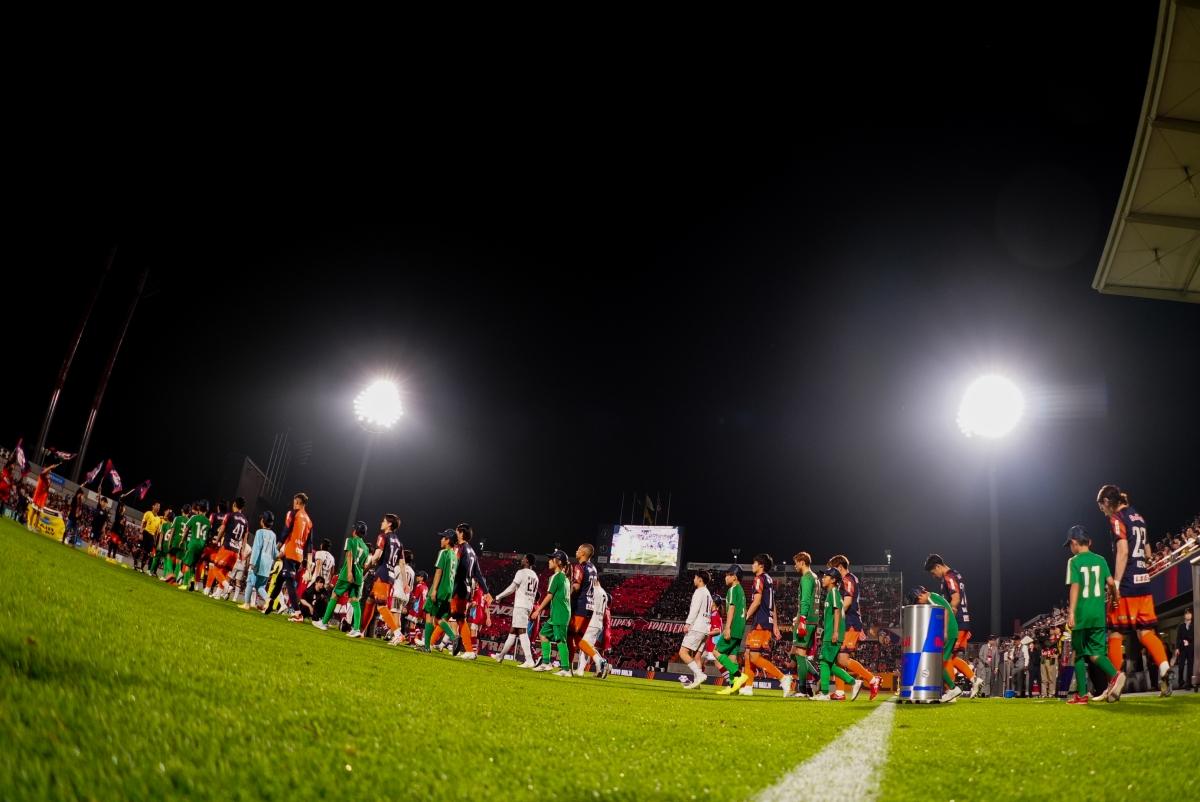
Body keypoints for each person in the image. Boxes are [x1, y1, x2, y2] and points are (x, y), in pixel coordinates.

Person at [1096, 485, 1171, 696]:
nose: (1103, 511)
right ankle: (1165, 668)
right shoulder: (1139, 517)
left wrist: (1116, 584)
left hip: (1127, 582)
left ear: (1107, 502)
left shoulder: (1117, 518)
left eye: (1102, 507)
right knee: (1145, 632)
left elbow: (1123, 551)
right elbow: (1148, 553)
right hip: (1143, 582)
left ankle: (1114, 682)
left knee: (1115, 631)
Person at [1063, 524, 1125, 704]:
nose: (1070, 548)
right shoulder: (1101, 559)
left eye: (1070, 545)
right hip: (1098, 615)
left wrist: (1071, 612)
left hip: (1082, 614)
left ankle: (1082, 695)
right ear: (1089, 542)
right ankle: (1115, 675)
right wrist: (1115, 598)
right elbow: (1111, 583)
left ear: (1074, 543)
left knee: (1079, 654)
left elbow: (1075, 586)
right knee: (1096, 654)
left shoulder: (1074, 561)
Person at [924, 553, 982, 698]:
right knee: (952, 657)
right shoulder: (956, 574)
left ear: (938, 566)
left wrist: (949, 623)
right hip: (963, 621)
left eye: (933, 572)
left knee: (945, 657)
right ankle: (974, 679)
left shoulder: (948, 577)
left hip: (958, 622)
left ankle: (951, 691)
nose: (934, 576)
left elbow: (955, 599)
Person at [827, 555, 882, 700]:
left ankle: (872, 679)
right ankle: (840, 692)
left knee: (842, 659)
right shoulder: (849, 579)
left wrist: (835, 619)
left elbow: (847, 602)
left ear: (840, 567)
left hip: (849, 623)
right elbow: (856, 605)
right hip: (850, 622)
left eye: (833, 569)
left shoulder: (847, 579)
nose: (831, 573)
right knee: (838, 658)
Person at [738, 553, 789, 697]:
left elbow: (757, 601)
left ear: (761, 565)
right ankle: (748, 687)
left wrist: (745, 617)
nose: (752, 565)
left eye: (754, 563)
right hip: (764, 621)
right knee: (748, 654)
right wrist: (775, 625)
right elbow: (772, 604)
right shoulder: (768, 579)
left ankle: (783, 678)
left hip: (761, 621)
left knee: (754, 656)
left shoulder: (759, 579)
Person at [313, 521, 370, 636]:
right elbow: (365, 566)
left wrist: (349, 572)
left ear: (355, 530)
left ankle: (324, 623)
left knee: (335, 595)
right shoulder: (366, 548)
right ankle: (356, 629)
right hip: (359, 577)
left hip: (346, 574)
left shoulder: (350, 540)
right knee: (355, 601)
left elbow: (349, 555)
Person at [359, 513, 406, 642]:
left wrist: (366, 567)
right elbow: (402, 563)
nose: (382, 523)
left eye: (384, 521)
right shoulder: (399, 542)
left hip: (382, 573)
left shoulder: (383, 536)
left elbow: (377, 556)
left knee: (381, 605)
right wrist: (405, 583)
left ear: (389, 524)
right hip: (390, 576)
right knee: (370, 600)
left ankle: (397, 634)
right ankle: (361, 631)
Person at [264, 492, 312, 616]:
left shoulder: (293, 513)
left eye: (294, 502)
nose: (293, 504)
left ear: (298, 502)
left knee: (289, 583)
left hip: (290, 553)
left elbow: (285, 531)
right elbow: (309, 545)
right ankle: (269, 603)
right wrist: (309, 566)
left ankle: (297, 613)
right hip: (299, 556)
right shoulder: (309, 521)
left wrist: (276, 549)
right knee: (280, 579)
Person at [449, 523, 490, 658]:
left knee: (444, 615)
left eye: (457, 531)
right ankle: (467, 649)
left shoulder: (460, 548)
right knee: (457, 618)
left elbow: (457, 569)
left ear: (461, 533)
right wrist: (486, 591)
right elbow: (478, 573)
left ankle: (434, 643)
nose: (455, 533)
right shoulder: (472, 551)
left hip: (458, 586)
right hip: (466, 588)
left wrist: (452, 587)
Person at [491, 553, 539, 667]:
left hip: (521, 605)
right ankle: (500, 656)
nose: (521, 560)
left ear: (527, 561)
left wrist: (498, 596)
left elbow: (512, 588)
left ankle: (529, 660)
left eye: (523, 558)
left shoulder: (521, 572)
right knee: (513, 632)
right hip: (528, 606)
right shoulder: (535, 576)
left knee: (522, 632)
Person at [816, 569, 857, 701]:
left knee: (823, 662)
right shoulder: (832, 593)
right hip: (830, 633)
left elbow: (837, 611)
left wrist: (834, 632)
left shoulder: (833, 592)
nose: (823, 578)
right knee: (830, 664)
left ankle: (824, 693)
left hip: (832, 634)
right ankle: (853, 682)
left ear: (833, 580)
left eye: (825, 576)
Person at [530, 549, 572, 677]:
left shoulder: (556, 577)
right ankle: (546, 663)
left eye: (551, 559)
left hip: (560, 614)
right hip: (559, 614)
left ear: (558, 562)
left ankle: (566, 669)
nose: (549, 561)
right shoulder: (565, 578)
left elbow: (549, 596)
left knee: (561, 641)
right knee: (543, 634)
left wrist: (538, 610)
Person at [716, 565, 751, 695]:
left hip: (733, 627)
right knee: (732, 657)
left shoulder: (732, 589)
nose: (726, 577)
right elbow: (744, 611)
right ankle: (733, 687)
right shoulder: (741, 590)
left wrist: (727, 627)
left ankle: (738, 675)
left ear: (734, 577)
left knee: (716, 651)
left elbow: (731, 608)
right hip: (740, 628)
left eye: (728, 575)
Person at [421, 530, 459, 651]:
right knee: (438, 618)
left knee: (429, 615)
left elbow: (439, 572)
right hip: (448, 591)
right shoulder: (455, 556)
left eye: (443, 538)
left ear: (448, 540)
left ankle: (427, 647)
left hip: (440, 589)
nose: (441, 540)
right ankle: (454, 637)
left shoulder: (444, 552)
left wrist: (434, 590)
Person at [678, 570, 716, 689]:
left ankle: (700, 675)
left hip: (697, 627)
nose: (694, 580)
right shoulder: (708, 593)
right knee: (697, 657)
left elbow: (694, 610)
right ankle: (697, 684)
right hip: (705, 628)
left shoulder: (699, 592)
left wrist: (687, 624)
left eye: (695, 578)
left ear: (700, 579)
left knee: (683, 652)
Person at [789, 551, 819, 698]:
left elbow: (805, 600)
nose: (795, 566)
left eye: (796, 563)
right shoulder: (815, 578)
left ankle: (802, 689)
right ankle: (810, 683)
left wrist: (802, 618)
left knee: (800, 655)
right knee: (796, 653)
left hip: (806, 620)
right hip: (812, 619)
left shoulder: (806, 578)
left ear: (802, 562)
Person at [205, 497, 248, 598]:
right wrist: (242, 552)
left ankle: (227, 586)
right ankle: (218, 594)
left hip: (227, 547)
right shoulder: (245, 521)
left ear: (234, 505)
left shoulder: (229, 515)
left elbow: (222, 529)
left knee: (215, 568)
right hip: (236, 551)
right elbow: (245, 538)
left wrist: (217, 540)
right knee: (224, 571)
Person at [574, 576, 611, 678]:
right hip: (599, 623)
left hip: (591, 622)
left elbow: (588, 606)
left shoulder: (593, 591)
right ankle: (581, 670)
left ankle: (599, 661)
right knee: (588, 647)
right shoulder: (604, 593)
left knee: (582, 644)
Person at [568, 543, 599, 664]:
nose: (576, 551)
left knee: (569, 635)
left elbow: (576, 587)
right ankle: (599, 660)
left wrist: (566, 596)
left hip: (580, 606)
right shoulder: (594, 568)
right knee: (578, 638)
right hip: (590, 607)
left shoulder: (580, 566)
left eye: (578, 549)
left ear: (583, 553)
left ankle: (566, 666)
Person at [241, 511, 278, 610]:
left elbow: (256, 548)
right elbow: (275, 552)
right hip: (267, 565)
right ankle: (268, 600)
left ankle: (247, 604)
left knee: (250, 582)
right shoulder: (273, 535)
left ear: (262, 521)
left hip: (258, 562)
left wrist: (252, 563)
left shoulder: (259, 532)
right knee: (260, 586)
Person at [177, 500, 211, 591]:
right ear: (207, 510)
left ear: (199, 508)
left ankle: (184, 583)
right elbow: (208, 536)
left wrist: (182, 540)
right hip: (201, 546)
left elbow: (186, 529)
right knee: (192, 564)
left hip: (193, 543)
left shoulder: (194, 517)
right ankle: (192, 582)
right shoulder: (208, 522)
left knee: (186, 563)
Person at [136, 501, 162, 572]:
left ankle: (141, 568)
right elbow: (143, 523)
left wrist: (155, 541)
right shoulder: (148, 513)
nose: (158, 508)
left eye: (159, 507)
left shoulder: (158, 519)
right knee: (139, 549)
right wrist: (141, 533)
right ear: (153, 506)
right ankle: (135, 564)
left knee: (147, 553)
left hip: (151, 536)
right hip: (145, 533)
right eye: (157, 506)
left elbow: (157, 532)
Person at [1175, 609, 1194, 691]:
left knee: (1190, 666)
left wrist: (1189, 641)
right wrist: (1177, 648)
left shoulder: (1194, 626)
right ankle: (1181, 682)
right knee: (1181, 666)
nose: (1188, 615)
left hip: (1191, 648)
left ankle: (1188, 683)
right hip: (1182, 648)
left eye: (1189, 614)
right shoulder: (1181, 626)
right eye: (1186, 614)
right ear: (1184, 616)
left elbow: (1195, 637)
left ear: (1192, 615)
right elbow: (1178, 638)